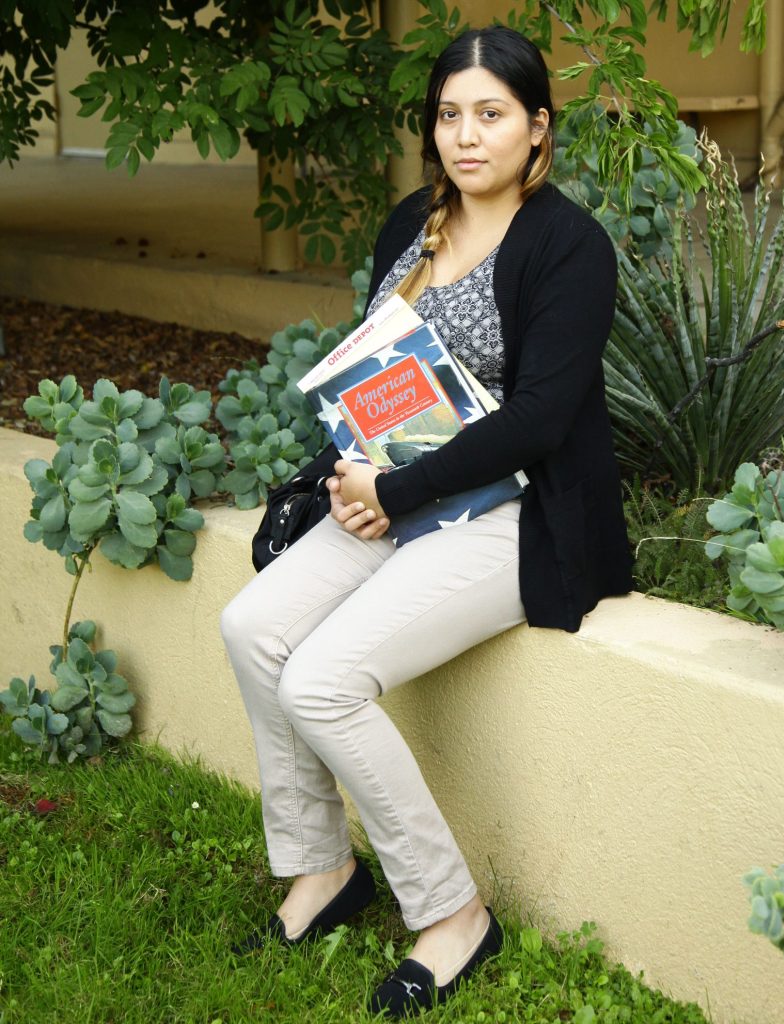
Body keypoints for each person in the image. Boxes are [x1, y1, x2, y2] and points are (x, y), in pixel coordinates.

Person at [220, 24, 632, 1019]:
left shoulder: (569, 245)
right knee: (252, 627)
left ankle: (450, 914)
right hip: (399, 498)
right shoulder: (413, 220)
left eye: (490, 114)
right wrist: (353, 473)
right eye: (449, 114)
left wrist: (395, 490)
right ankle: (322, 870)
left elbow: (539, 417)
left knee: (322, 680)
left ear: (537, 128)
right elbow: (382, 364)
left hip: (513, 518)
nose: (465, 135)